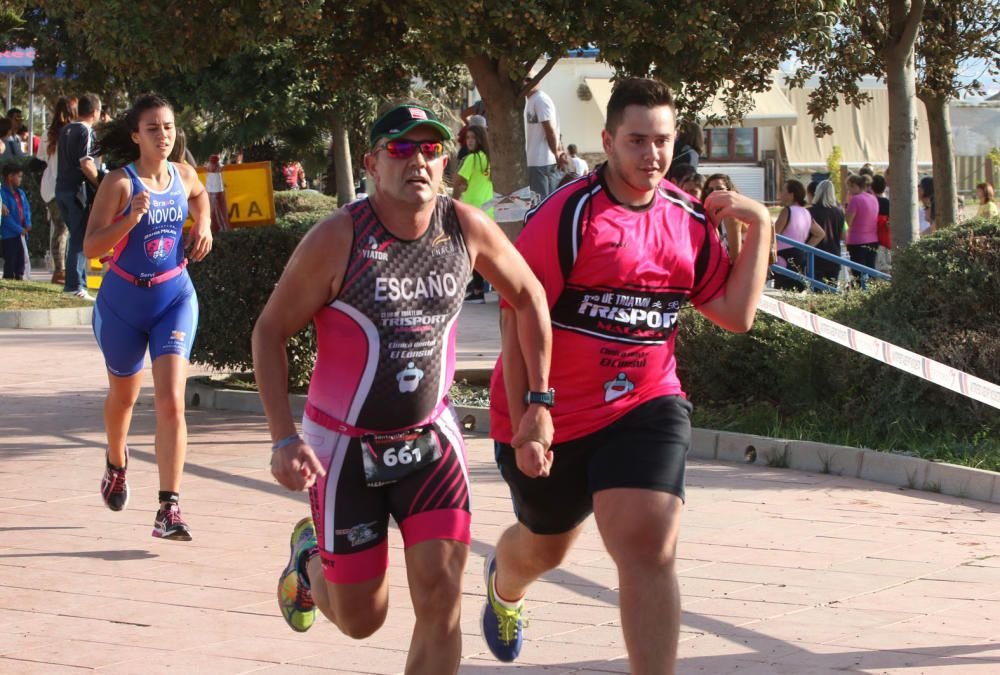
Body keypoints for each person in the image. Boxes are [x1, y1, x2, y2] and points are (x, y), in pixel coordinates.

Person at [482, 77, 773, 675]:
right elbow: (517, 322)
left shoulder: (687, 221)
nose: (652, 155)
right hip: (547, 413)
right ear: (609, 142)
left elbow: (735, 316)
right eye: (637, 140)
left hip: (646, 404)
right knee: (544, 548)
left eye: (662, 141)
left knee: (646, 543)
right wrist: (529, 417)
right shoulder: (569, 215)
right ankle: (504, 585)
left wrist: (761, 230)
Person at [252, 103, 552, 674]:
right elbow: (269, 331)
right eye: (401, 148)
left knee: (441, 599)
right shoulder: (338, 237)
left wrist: (538, 402)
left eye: (431, 149)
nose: (418, 160)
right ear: (372, 163)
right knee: (363, 619)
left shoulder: (464, 226)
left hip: (429, 442)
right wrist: (283, 438)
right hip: (342, 448)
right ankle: (309, 561)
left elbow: (530, 296)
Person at [83, 93, 212, 540]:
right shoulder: (119, 184)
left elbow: (200, 197)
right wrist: (128, 220)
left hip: (173, 298)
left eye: (169, 127)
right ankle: (116, 461)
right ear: (136, 136)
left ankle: (168, 509)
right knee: (123, 397)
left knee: (171, 401)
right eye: (153, 128)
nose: (164, 135)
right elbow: (92, 248)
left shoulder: (184, 174)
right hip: (122, 304)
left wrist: (206, 226)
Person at [56, 92, 102, 300]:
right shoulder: (85, 132)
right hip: (77, 190)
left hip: (61, 188)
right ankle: (75, 286)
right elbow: (86, 163)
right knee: (79, 236)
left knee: (75, 234)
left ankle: (77, 283)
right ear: (94, 112)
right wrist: (101, 183)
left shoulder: (66, 129)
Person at [38, 96, 77, 286]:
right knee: (65, 230)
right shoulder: (73, 132)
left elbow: (42, 158)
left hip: (50, 186)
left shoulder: (48, 133)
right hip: (65, 185)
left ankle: (60, 269)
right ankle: (61, 270)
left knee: (60, 229)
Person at [453, 124, 493, 304]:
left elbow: (458, 181)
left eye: (473, 138)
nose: (469, 141)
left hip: (470, 210)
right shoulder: (489, 159)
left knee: (471, 251)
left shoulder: (472, 159)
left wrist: (453, 202)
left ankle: (477, 291)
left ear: (480, 139)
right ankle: (479, 287)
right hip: (488, 211)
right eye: (468, 138)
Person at [773, 179, 825, 291]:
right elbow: (820, 234)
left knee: (783, 291)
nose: (780, 194)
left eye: (783, 191)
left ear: (792, 194)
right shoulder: (806, 212)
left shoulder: (787, 211)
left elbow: (773, 236)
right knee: (797, 290)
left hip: (784, 258)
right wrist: (806, 248)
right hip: (800, 256)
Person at [523, 72, 560, 199]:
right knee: (539, 203)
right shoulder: (532, 100)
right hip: (536, 162)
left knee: (542, 204)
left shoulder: (540, 99)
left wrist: (556, 153)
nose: (525, 82)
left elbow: (549, 129)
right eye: (522, 79)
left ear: (538, 80)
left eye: (529, 79)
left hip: (542, 162)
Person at [808, 179, 846, 284]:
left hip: (815, 257)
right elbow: (843, 236)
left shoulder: (810, 212)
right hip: (834, 257)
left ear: (818, 192)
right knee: (831, 292)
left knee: (816, 291)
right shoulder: (839, 213)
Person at [704, 173, 748, 259]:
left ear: (729, 191)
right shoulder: (715, 213)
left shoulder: (732, 215)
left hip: (745, 266)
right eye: (710, 190)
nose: (714, 193)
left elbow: (735, 257)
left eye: (719, 189)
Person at [1, 165, 31, 279]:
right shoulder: (2, 194)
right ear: (10, 177)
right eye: (19, 176)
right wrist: (19, 229)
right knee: (11, 261)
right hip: (9, 235)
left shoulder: (21, 193)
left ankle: (20, 277)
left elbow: (27, 209)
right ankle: (8, 279)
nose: (20, 179)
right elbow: (5, 217)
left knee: (21, 261)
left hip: (22, 234)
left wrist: (28, 224)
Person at [845, 173, 879, 270]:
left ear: (854, 186)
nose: (849, 191)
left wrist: (842, 231)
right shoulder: (873, 198)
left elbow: (847, 222)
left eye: (849, 188)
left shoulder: (855, 199)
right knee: (871, 270)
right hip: (873, 239)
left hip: (857, 241)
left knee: (858, 274)